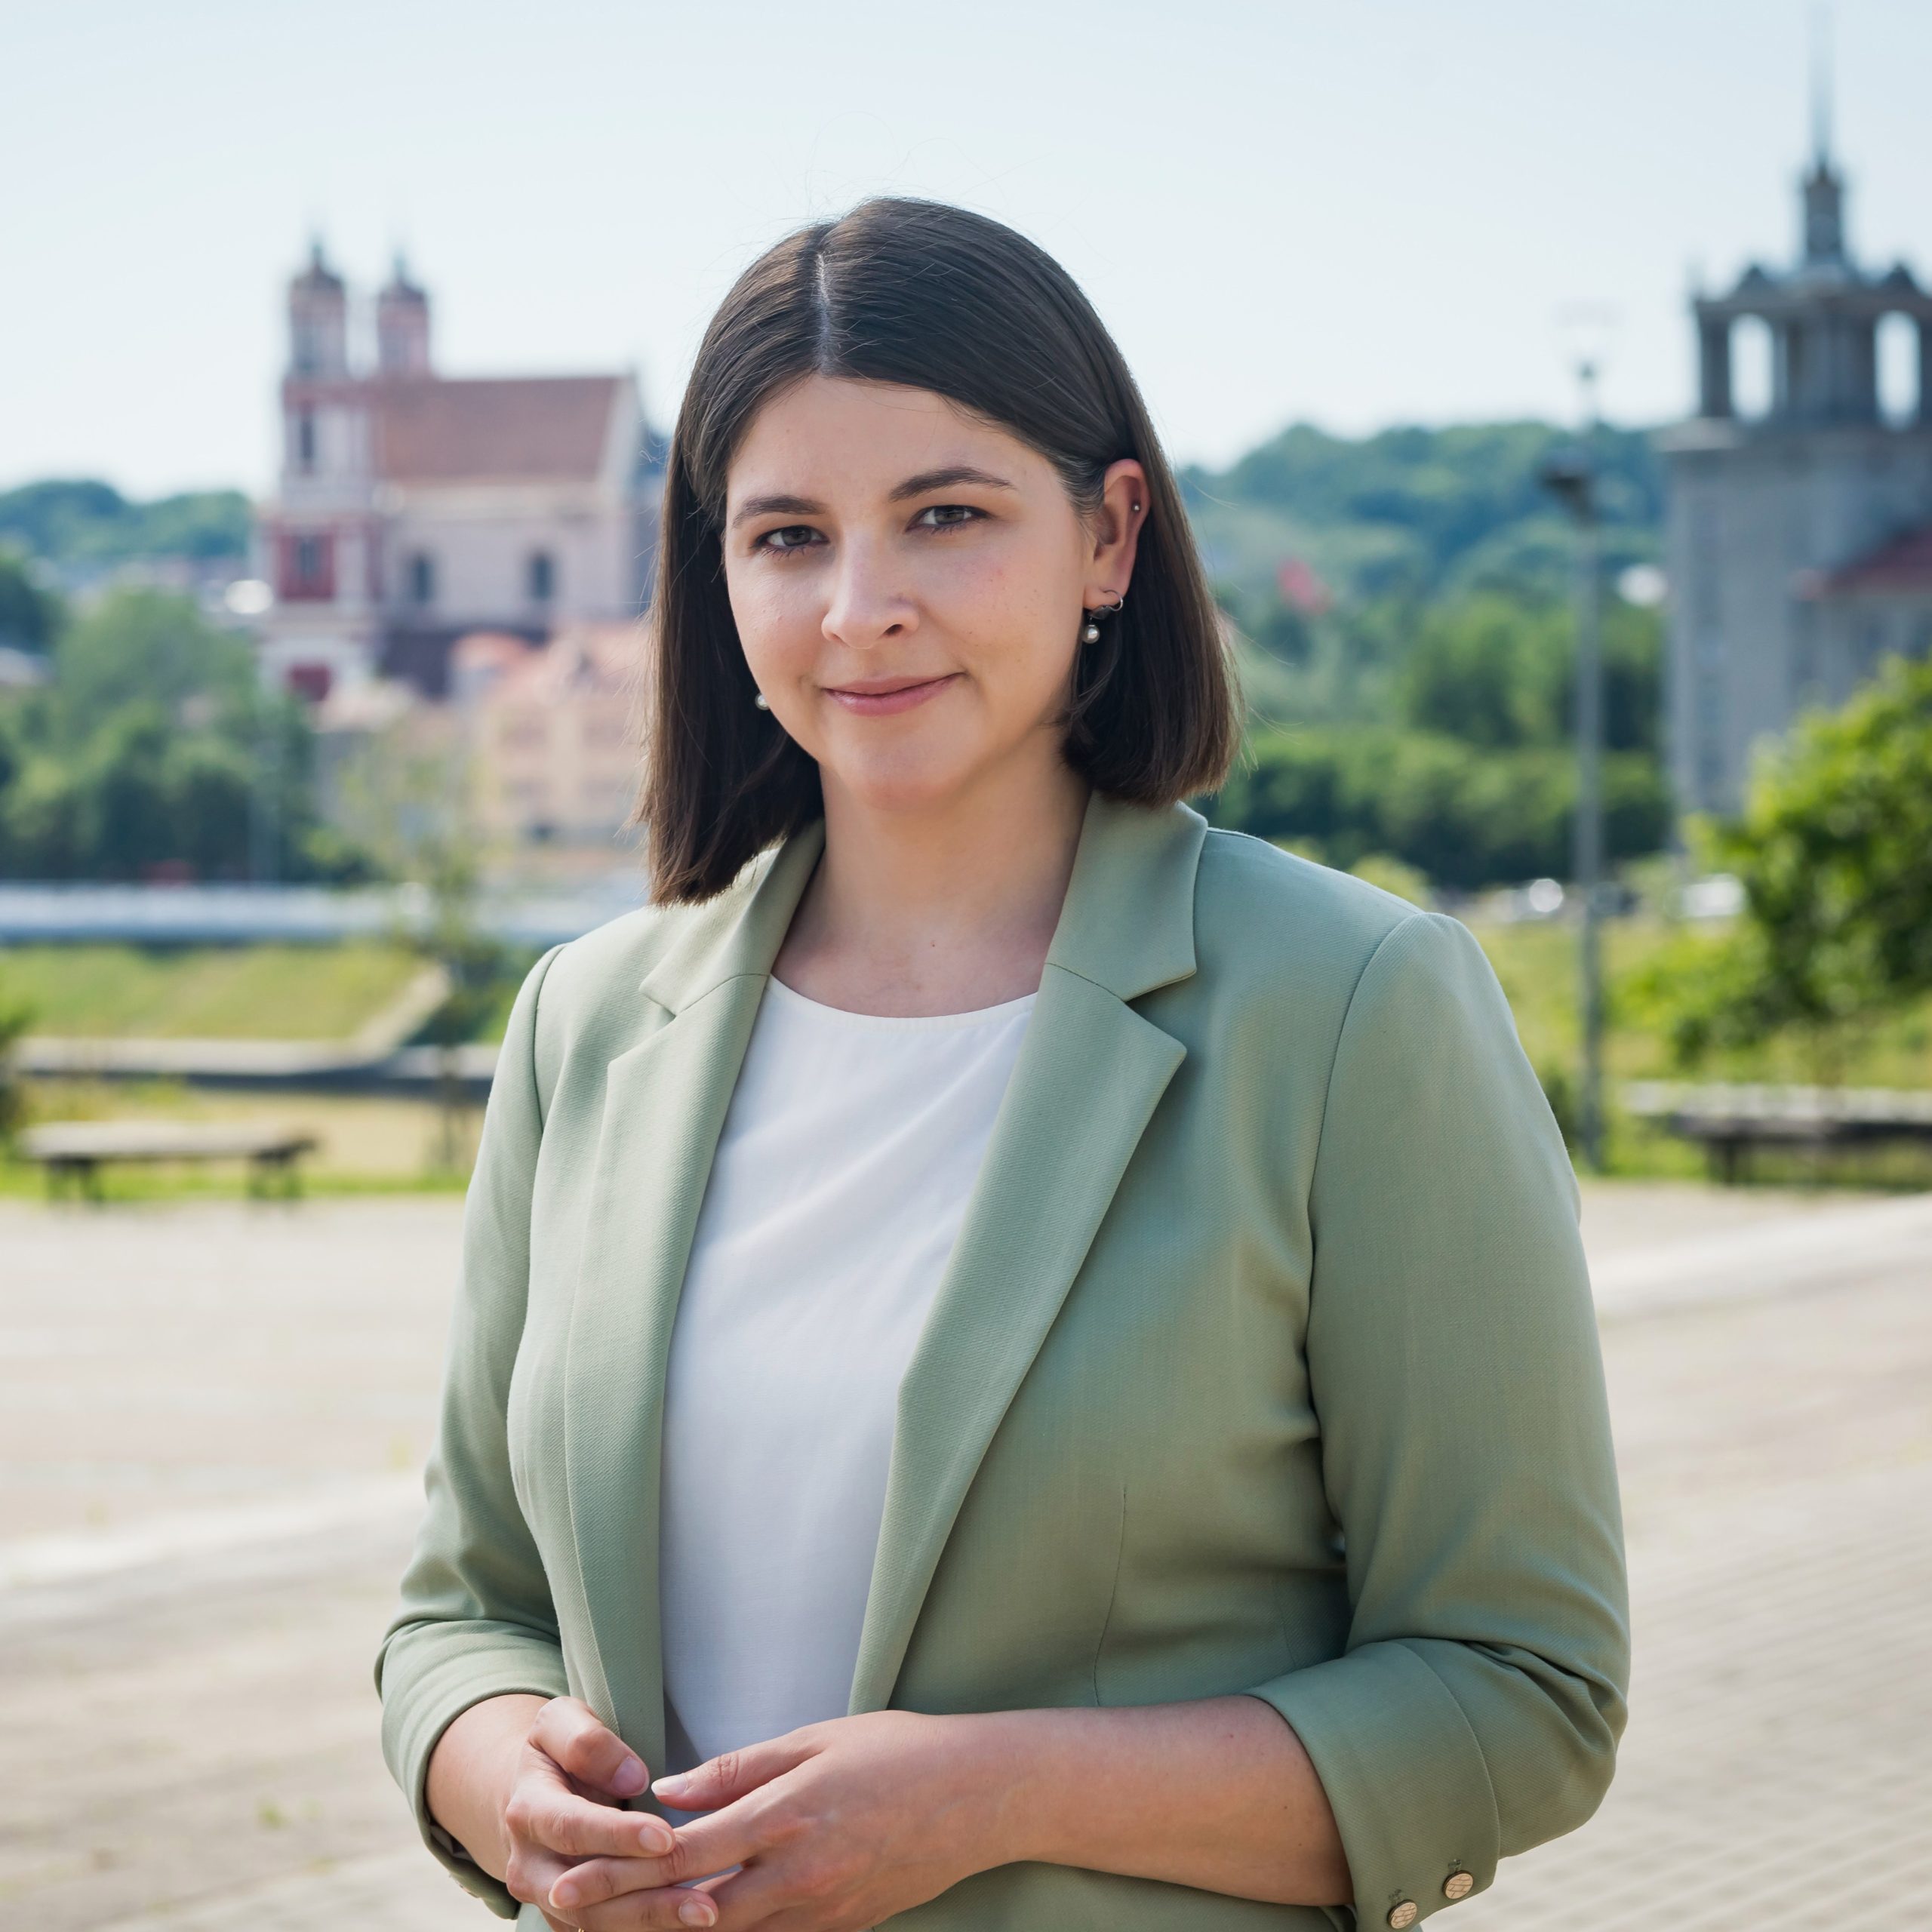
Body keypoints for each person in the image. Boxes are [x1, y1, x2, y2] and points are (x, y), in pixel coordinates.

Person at [376, 198, 1628, 1932]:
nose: (859, 607)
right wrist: (505, 1773)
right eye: (787, 535)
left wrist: (991, 1794)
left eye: (945, 516)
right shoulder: (582, 1022)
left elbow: (1519, 1689)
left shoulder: (1355, 1006)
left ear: (1109, 535)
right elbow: (461, 1611)